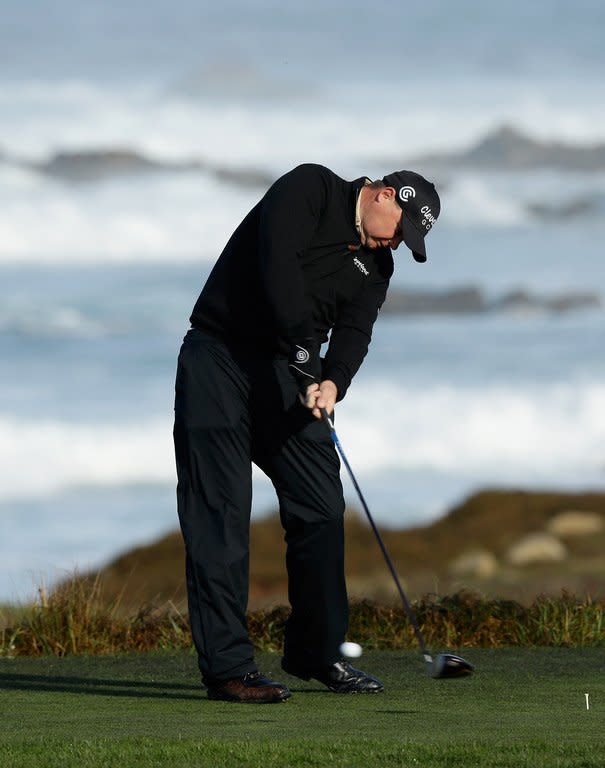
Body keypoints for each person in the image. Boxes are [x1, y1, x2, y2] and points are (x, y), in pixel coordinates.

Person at [173, 163, 440, 703]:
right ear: (385, 194)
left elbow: (355, 331)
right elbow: (278, 267)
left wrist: (334, 382)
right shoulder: (310, 188)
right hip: (219, 358)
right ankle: (229, 670)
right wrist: (303, 353)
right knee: (220, 514)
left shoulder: (378, 266)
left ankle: (317, 654)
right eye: (398, 227)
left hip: (288, 375)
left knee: (320, 505)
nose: (393, 242)